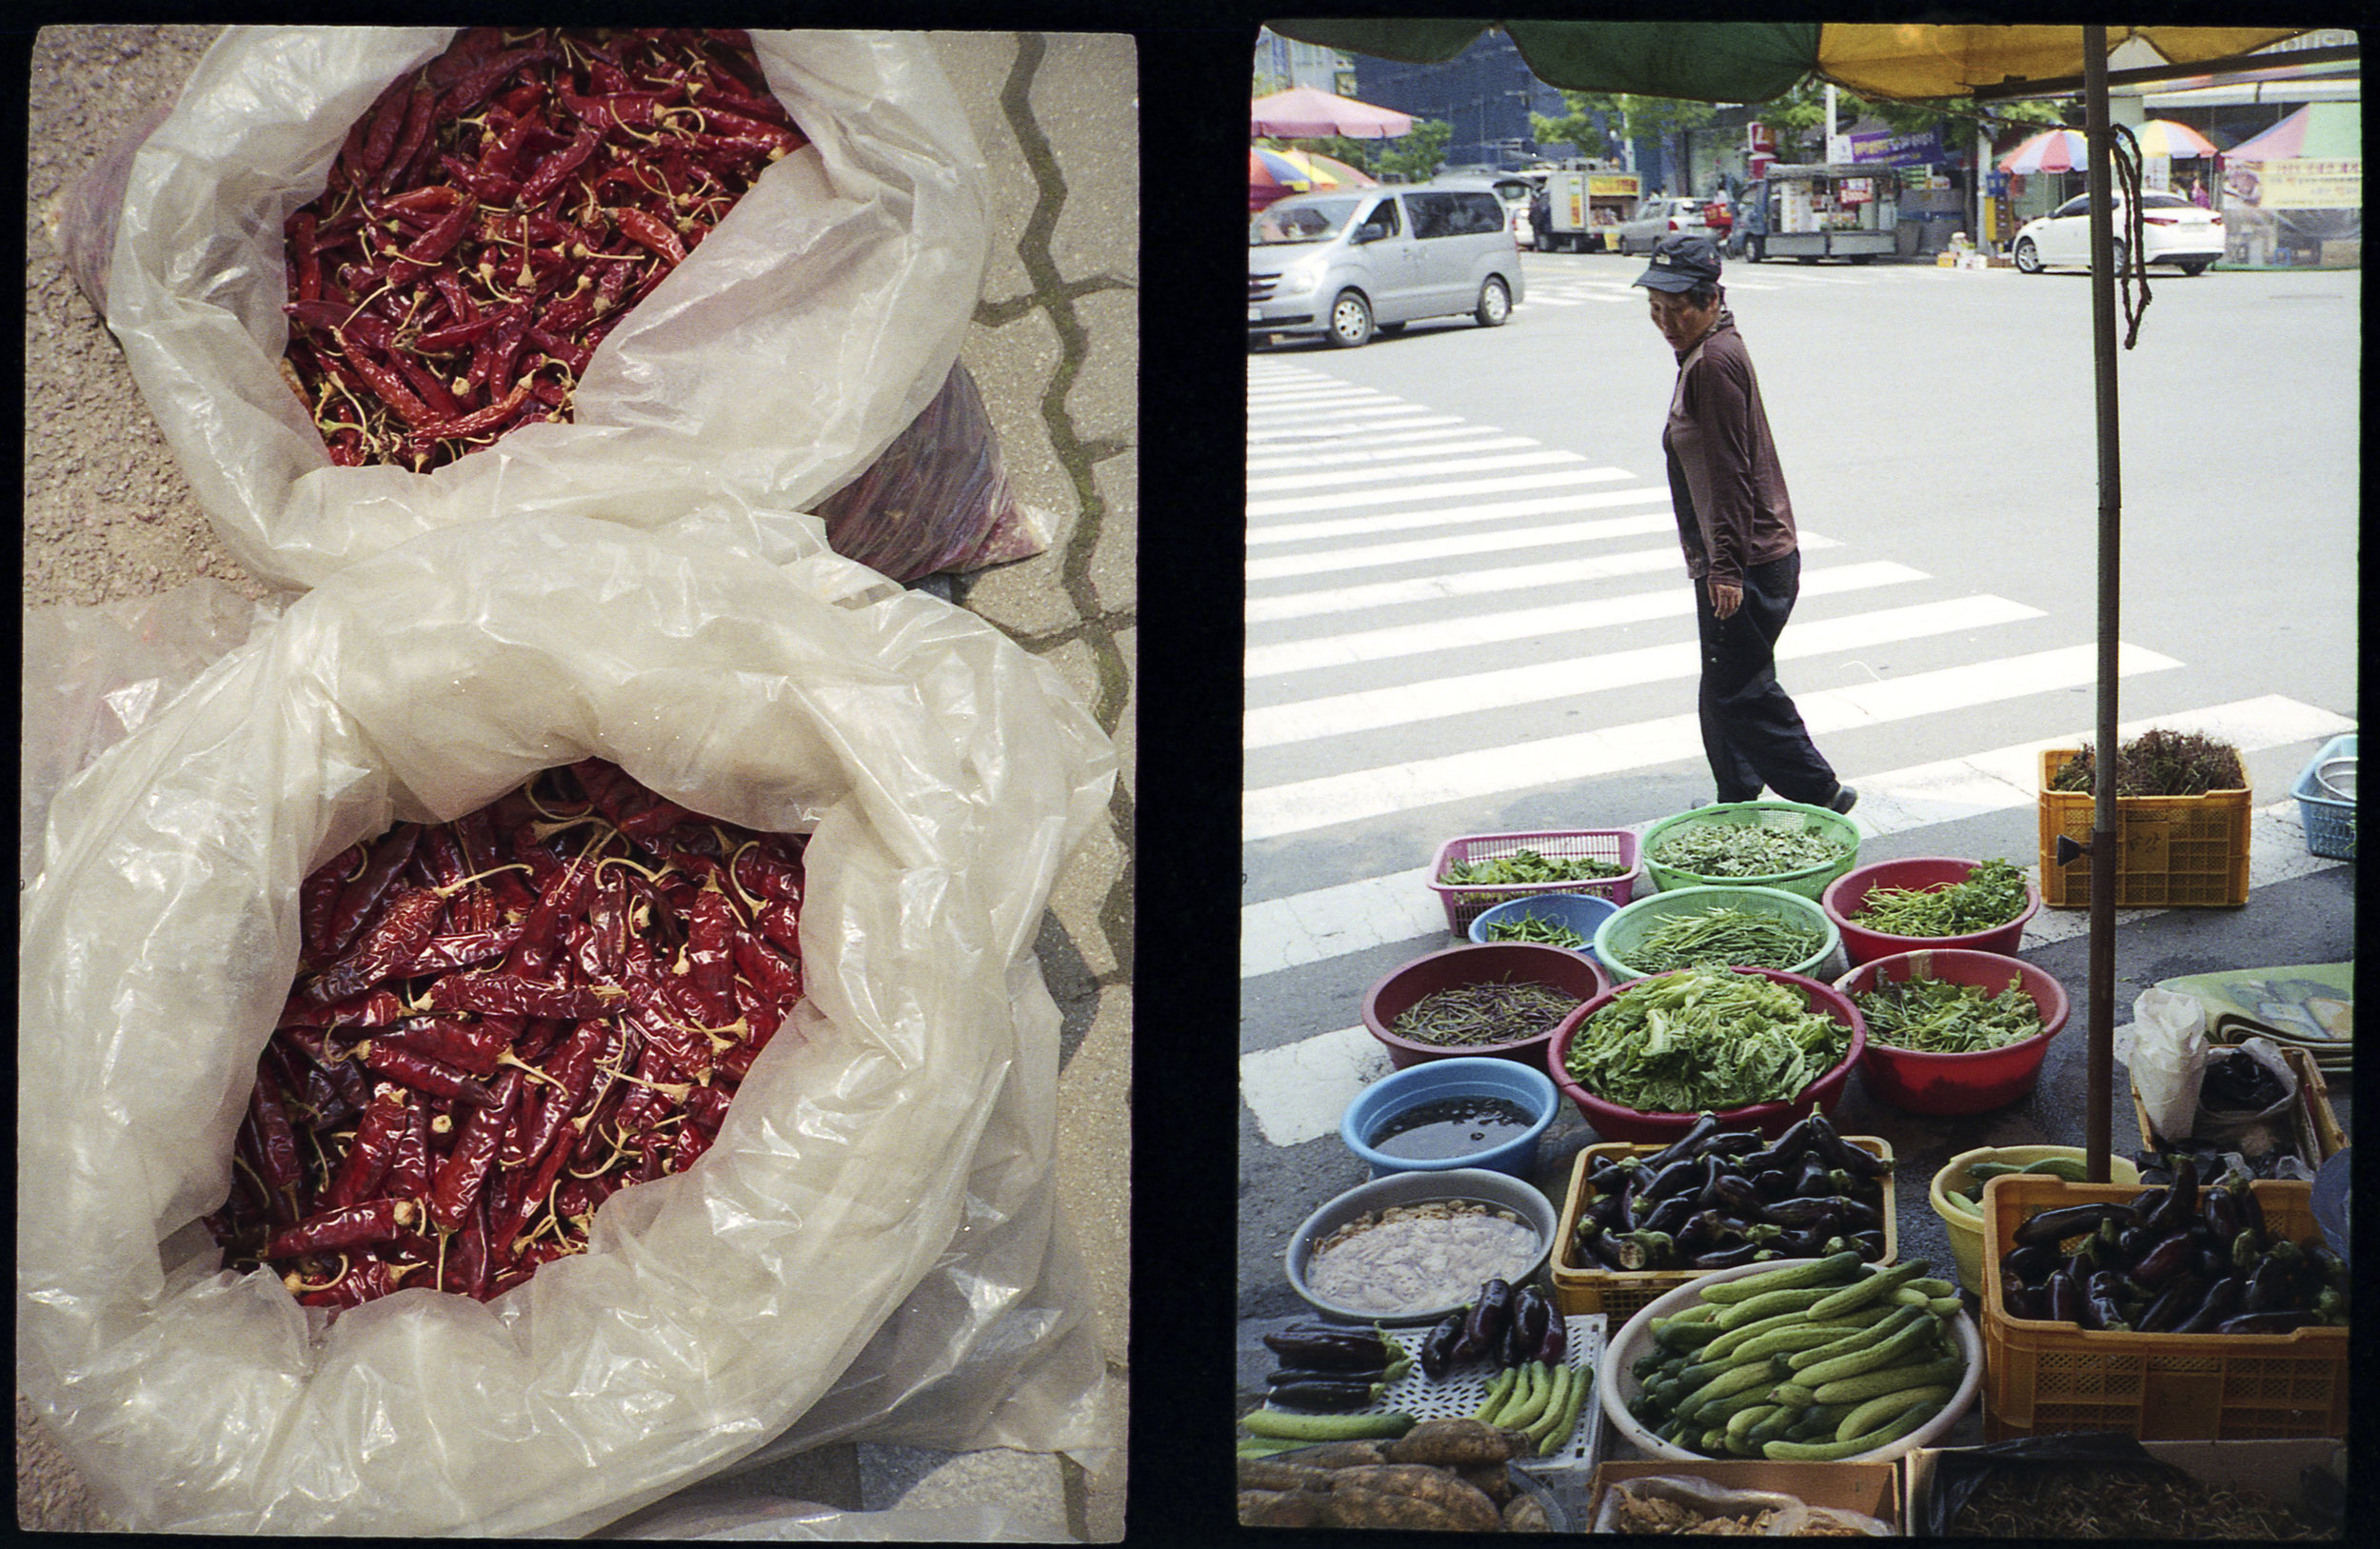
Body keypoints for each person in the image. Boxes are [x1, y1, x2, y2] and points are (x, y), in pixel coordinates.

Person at [1631, 232, 1855, 815]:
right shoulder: (1704, 353)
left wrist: (1725, 568)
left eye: (1677, 308)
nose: (1665, 322)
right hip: (1735, 556)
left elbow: (1733, 474)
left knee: (1739, 688)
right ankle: (1736, 791)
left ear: (1710, 300)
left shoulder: (1715, 363)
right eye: (1655, 310)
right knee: (1722, 683)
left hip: (1750, 561)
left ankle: (1822, 792)